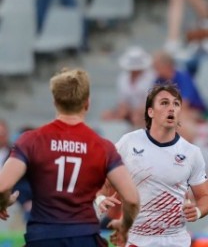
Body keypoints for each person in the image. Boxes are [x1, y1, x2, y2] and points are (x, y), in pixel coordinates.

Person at [0, 68, 139, 245]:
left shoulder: (31, 140)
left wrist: (3, 203)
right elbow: (132, 198)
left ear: (55, 102)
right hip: (84, 236)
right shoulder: (102, 147)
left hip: (43, 237)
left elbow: (3, 185)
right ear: (87, 103)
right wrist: (124, 225)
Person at [99, 83, 208, 246]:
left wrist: (198, 210)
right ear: (150, 111)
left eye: (176, 104)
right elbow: (106, 180)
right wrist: (101, 198)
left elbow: (205, 197)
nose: (171, 108)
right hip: (137, 239)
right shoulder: (128, 143)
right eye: (164, 103)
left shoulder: (191, 153)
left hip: (175, 241)